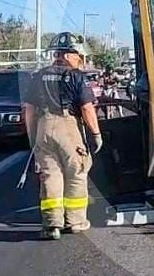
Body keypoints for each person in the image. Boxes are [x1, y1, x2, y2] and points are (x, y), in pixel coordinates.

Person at [23, 32, 103, 240]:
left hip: (44, 125)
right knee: (77, 172)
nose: (80, 60)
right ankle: (75, 222)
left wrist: (33, 137)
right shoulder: (76, 76)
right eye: (78, 55)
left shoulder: (39, 76)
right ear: (68, 55)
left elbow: (29, 110)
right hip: (68, 127)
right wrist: (96, 133)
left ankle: (52, 225)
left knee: (50, 175)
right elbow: (87, 108)